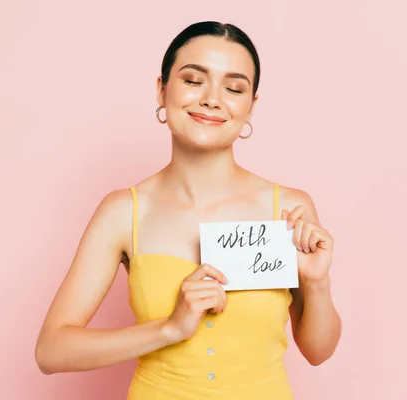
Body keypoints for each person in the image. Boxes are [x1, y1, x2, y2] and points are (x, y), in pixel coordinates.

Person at [34, 21, 342, 399]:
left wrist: (317, 281)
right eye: (194, 80)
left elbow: (318, 351)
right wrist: (170, 328)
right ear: (162, 90)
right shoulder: (123, 212)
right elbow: (51, 351)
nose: (212, 99)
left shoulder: (289, 208)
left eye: (233, 88)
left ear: (251, 106)